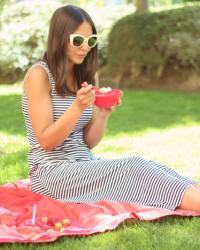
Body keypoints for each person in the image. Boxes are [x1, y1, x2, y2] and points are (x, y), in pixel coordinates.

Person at [22, 5, 200, 212]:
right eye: (77, 41)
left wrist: (102, 116)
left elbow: (88, 142)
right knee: (135, 167)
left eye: (91, 41)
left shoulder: (86, 75)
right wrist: (77, 107)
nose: (85, 47)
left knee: (150, 166)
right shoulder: (39, 75)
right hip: (51, 175)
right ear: (59, 38)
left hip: (84, 165)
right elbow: (46, 141)